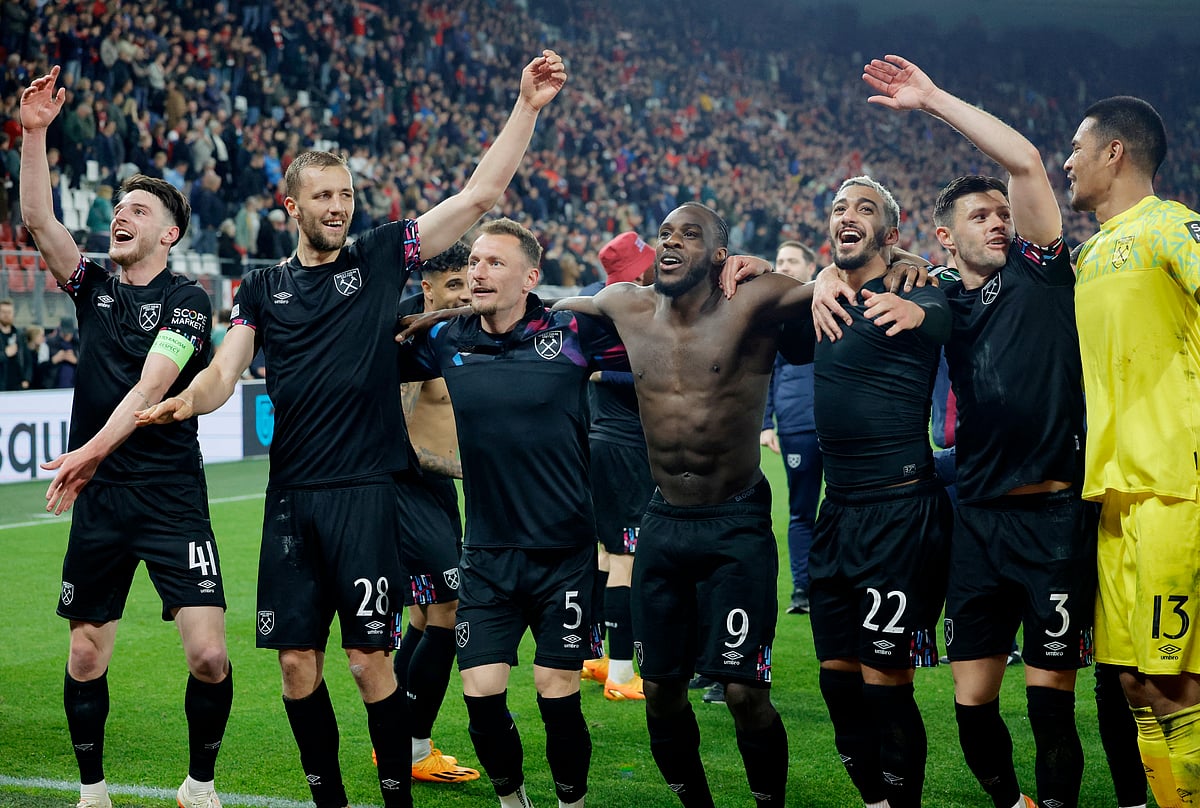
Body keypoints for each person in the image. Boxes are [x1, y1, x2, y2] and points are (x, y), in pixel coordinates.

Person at [135, 50, 568, 808]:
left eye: (346, 194)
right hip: (291, 501)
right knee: (295, 667)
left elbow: (479, 195)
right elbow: (225, 369)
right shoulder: (261, 288)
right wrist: (189, 399)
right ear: (291, 205)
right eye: (324, 196)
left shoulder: (377, 258)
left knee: (371, 664)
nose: (338, 207)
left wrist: (526, 107)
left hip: (365, 495)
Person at [553, 202, 848, 808]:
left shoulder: (752, 299)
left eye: (690, 235)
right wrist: (449, 312)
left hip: (736, 523)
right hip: (663, 520)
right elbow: (540, 309)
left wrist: (878, 266)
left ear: (719, 255)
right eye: (665, 233)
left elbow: (835, 281)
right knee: (661, 692)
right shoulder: (624, 305)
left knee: (744, 692)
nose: (671, 242)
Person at [861, 53, 1095, 808]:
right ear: (944, 236)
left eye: (1002, 214)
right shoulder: (941, 301)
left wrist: (931, 99)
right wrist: (833, 275)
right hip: (978, 521)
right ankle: (1009, 802)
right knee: (972, 703)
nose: (998, 222)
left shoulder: (1039, 271)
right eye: (980, 216)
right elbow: (858, 266)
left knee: (1050, 707)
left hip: (1053, 518)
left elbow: (1025, 161)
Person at [20, 65, 231, 808]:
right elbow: (40, 222)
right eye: (117, 207)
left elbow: (149, 390)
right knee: (85, 655)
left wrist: (83, 453)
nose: (121, 214)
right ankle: (93, 791)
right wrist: (34, 134)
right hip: (105, 499)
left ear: (168, 233)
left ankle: (198, 785)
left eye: (138, 209)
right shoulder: (95, 288)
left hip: (171, 495)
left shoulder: (189, 298)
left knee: (209, 656)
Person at [399, 217, 634, 808]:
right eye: (474, 262)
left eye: (494, 263)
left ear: (531, 277)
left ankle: (571, 803)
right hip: (486, 556)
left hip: (564, 555)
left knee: (557, 697)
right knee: (480, 696)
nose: (478, 272)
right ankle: (512, 801)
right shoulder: (446, 338)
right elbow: (371, 346)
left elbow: (660, 331)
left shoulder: (573, 331)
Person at [1064, 94, 1200, 807]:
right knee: (1133, 684)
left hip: (1175, 485)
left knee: (1177, 683)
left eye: (1076, 148)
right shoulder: (1089, 254)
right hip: (1114, 494)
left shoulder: (1171, 227)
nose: (1067, 162)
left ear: (1114, 152)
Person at [802, 176, 952, 808]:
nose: (848, 215)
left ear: (891, 231)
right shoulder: (822, 302)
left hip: (900, 512)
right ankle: (874, 801)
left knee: (885, 682)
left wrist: (920, 307)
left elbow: (945, 314)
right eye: (840, 207)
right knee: (837, 680)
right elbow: (762, 293)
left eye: (865, 208)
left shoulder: (916, 287)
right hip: (837, 511)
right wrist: (815, 281)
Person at [391, 240, 480, 784]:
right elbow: (397, 438)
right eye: (452, 286)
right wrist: (470, 469)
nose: (464, 294)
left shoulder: (459, 333)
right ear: (426, 288)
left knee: (424, 617)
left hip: (439, 492)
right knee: (449, 609)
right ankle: (413, 748)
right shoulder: (413, 338)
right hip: (409, 489)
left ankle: (397, 739)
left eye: (467, 282)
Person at [578, 231, 657, 703]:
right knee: (626, 557)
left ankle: (594, 656)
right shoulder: (632, 317)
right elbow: (654, 376)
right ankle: (624, 674)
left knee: (605, 555)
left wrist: (601, 375)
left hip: (597, 442)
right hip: (626, 448)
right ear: (638, 273)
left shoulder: (595, 311)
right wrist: (608, 375)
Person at [760, 240, 823, 617]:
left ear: (810, 267)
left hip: (838, 424)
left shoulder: (831, 298)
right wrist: (766, 423)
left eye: (792, 260)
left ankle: (840, 582)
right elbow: (764, 372)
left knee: (844, 507)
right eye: (779, 259)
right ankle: (802, 588)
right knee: (801, 510)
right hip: (796, 425)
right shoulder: (772, 313)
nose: (783, 265)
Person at [0, 297, 22, 390]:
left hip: (17, 386)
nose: (6, 315)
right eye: (3, 312)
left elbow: (27, 358)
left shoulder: (19, 334)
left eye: (9, 312)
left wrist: (26, 379)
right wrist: (5, 354)